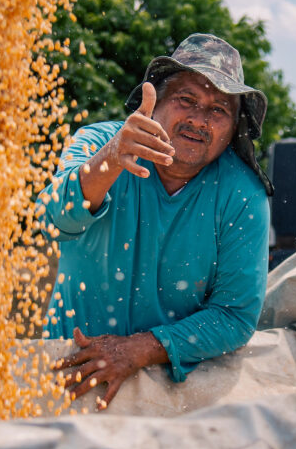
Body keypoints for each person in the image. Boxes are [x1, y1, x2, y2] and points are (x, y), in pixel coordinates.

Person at [39, 33, 272, 409]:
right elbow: (53, 218)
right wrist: (112, 158)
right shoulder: (100, 143)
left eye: (218, 111)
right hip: (68, 370)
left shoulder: (242, 194)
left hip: (165, 386)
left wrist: (136, 350)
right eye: (186, 100)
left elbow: (234, 316)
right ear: (155, 103)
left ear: (233, 130)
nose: (199, 119)